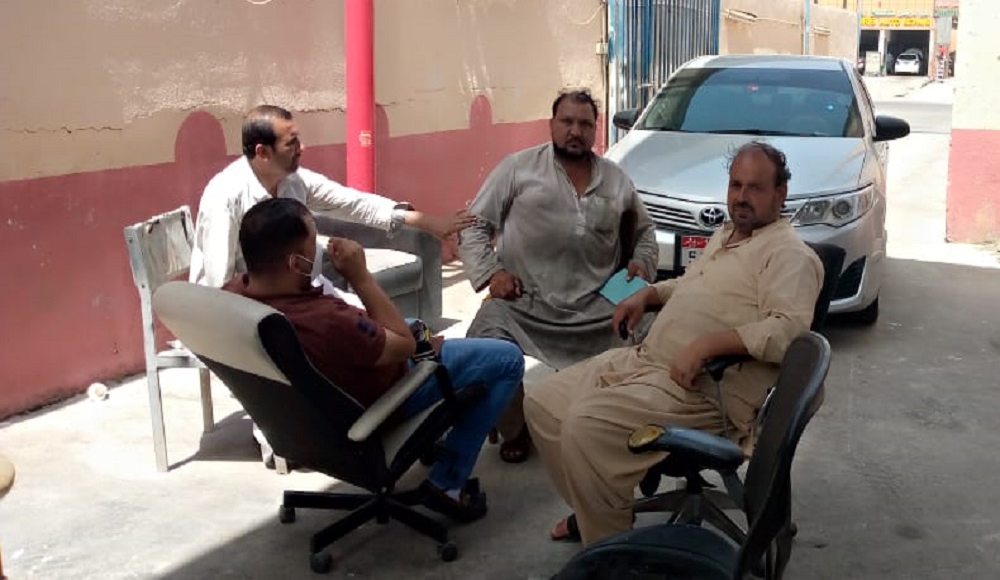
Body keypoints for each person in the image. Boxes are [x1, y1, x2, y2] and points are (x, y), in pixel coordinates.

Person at [523, 141, 824, 546]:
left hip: (701, 391)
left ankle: (612, 558)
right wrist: (649, 295)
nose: (741, 197)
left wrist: (707, 346)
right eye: (735, 185)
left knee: (586, 426)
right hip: (646, 362)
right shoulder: (728, 236)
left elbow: (788, 332)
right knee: (543, 404)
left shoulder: (789, 255)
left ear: (780, 193)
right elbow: (692, 285)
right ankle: (599, 513)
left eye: (755, 187)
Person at [223, 197, 525, 521]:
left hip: (313, 412)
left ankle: (430, 435)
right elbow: (404, 345)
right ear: (296, 263)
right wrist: (360, 276)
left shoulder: (236, 294)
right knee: (507, 360)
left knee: (418, 327)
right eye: (313, 243)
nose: (320, 250)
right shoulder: (326, 322)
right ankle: (447, 483)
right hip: (386, 394)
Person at [458, 89, 658, 464]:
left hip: (598, 303)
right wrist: (491, 273)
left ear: (596, 129)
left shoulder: (616, 180)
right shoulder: (517, 168)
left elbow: (645, 232)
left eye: (585, 124)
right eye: (567, 122)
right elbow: (473, 226)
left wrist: (641, 263)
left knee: (658, 329)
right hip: (525, 301)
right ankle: (515, 428)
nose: (575, 131)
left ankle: (626, 425)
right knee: (484, 346)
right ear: (551, 125)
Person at [190, 104, 474, 289]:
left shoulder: (294, 181)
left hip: (300, 297)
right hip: (252, 309)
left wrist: (429, 223)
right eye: (291, 143)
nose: (302, 148)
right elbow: (219, 285)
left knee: (370, 327)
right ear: (263, 152)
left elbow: (352, 203)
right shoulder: (225, 196)